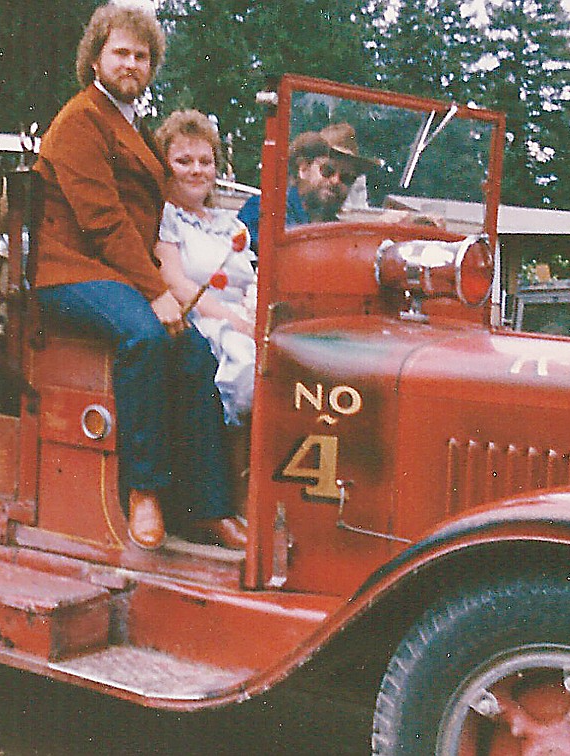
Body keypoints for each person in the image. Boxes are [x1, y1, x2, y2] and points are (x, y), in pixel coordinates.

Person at [28, 4, 246, 551]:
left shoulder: (130, 124)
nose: (132, 63)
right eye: (121, 52)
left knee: (196, 352)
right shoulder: (81, 120)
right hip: (69, 271)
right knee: (146, 337)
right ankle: (143, 492)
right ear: (96, 58)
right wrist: (156, 291)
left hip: (117, 272)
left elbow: (155, 212)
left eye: (142, 56)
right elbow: (103, 222)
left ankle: (205, 508)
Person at [153, 110, 257, 427]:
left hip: (245, 320)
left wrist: (256, 312)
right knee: (248, 366)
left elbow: (251, 279)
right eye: (184, 161)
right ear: (165, 167)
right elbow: (176, 283)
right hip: (204, 324)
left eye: (205, 161)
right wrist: (239, 324)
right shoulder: (164, 217)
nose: (197, 171)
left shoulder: (231, 224)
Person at [237, 122, 373, 251]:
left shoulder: (338, 233)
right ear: (303, 168)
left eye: (347, 178)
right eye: (327, 170)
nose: (336, 181)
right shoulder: (265, 209)